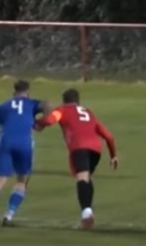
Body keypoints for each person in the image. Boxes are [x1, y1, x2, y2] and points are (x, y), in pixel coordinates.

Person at [35, 89, 117, 229]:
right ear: (78, 100)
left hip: (79, 147)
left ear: (64, 101)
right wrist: (113, 155)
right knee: (86, 178)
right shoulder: (89, 113)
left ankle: (86, 215)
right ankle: (88, 212)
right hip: (96, 149)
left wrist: (37, 122)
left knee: (82, 178)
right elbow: (109, 136)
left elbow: (50, 120)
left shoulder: (62, 110)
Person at [0, 80, 48, 231]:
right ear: (28, 92)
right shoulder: (32, 104)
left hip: (5, 141)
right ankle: (8, 216)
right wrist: (42, 123)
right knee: (22, 181)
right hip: (24, 142)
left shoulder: (3, 106)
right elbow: (48, 105)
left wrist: (0, 143)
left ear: (13, 93)